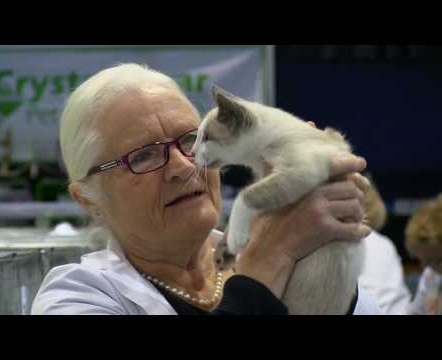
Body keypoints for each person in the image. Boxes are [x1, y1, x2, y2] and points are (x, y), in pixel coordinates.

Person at [31, 63, 380, 315]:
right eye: (143, 156)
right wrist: (268, 260)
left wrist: (325, 251)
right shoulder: (77, 298)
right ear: (88, 199)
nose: (184, 166)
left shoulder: (284, 247)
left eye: (189, 140)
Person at [358, 178, 442, 315]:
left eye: (437, 260)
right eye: (423, 260)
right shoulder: (430, 276)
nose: (426, 266)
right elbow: (416, 312)